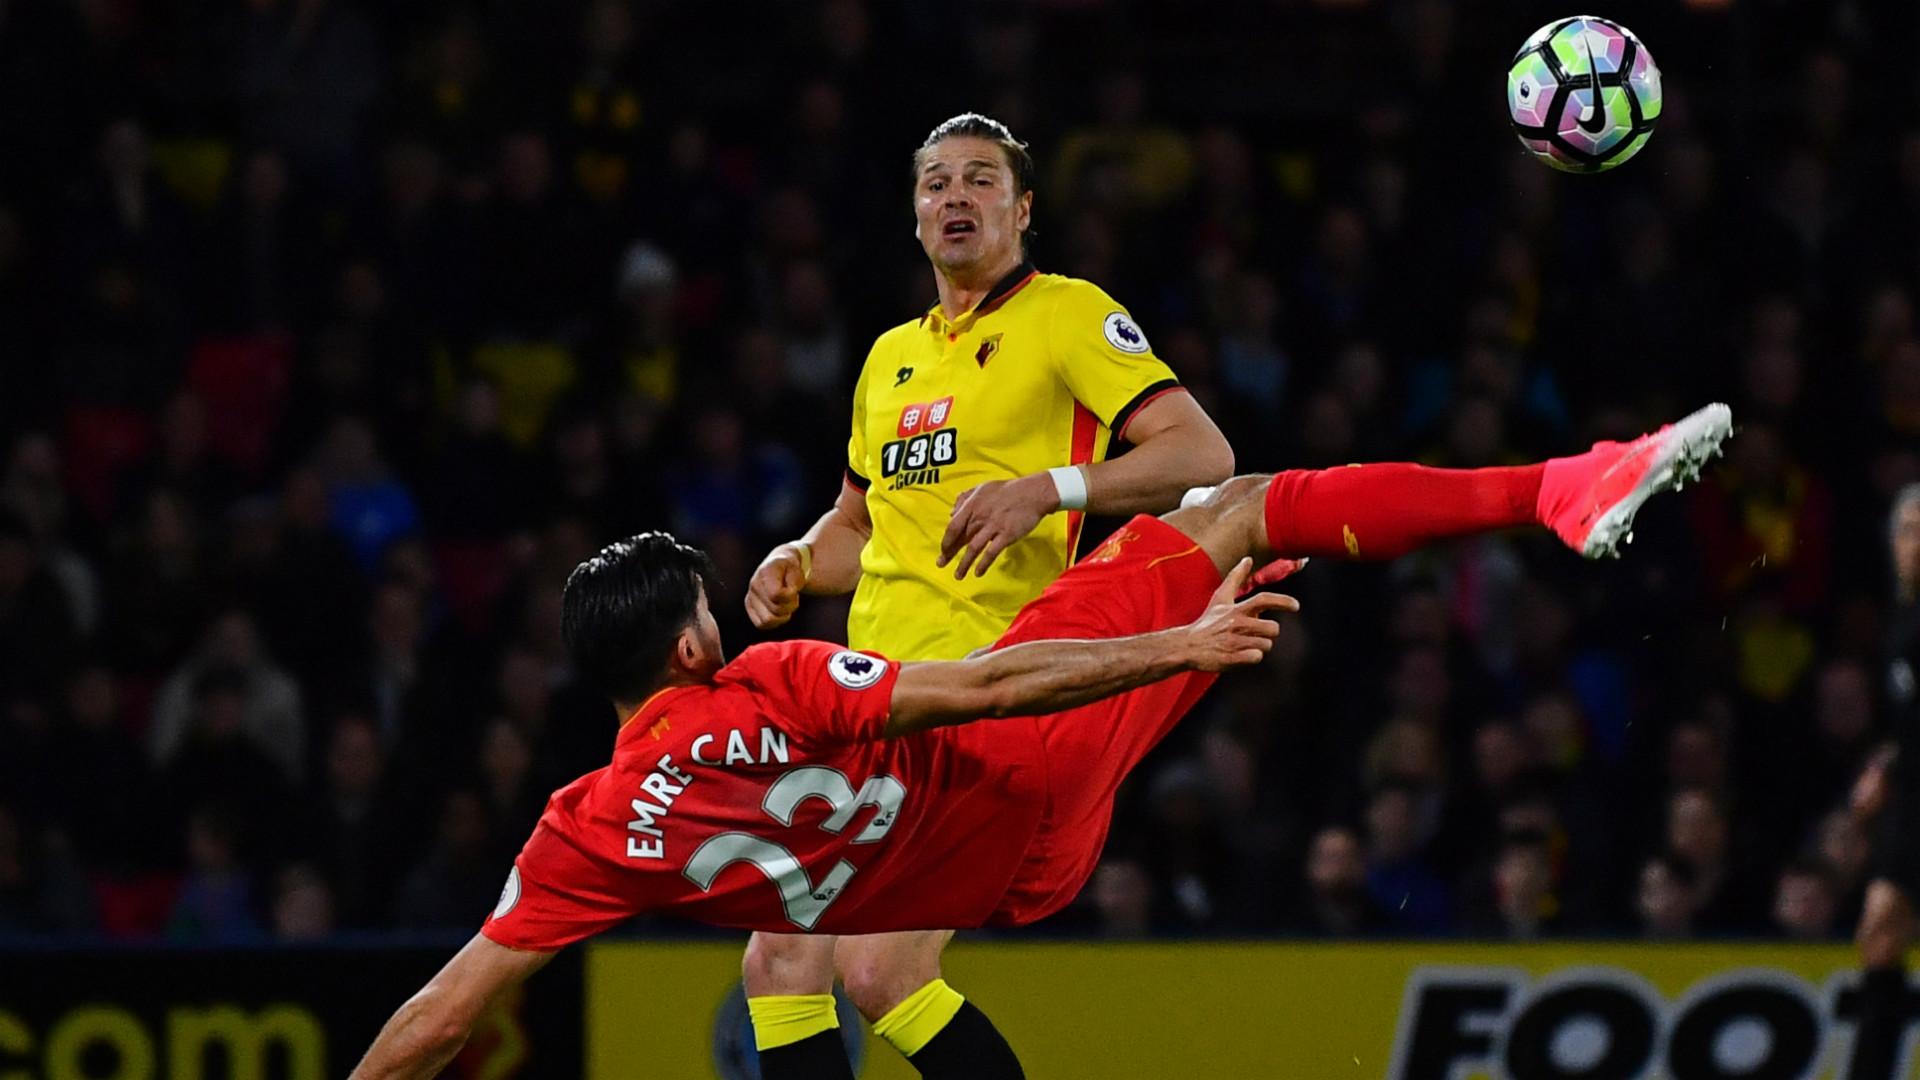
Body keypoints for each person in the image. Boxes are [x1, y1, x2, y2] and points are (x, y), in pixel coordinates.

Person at [350, 402, 1731, 1079]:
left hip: (992, 882)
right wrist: (1171, 650)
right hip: (1025, 767)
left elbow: (442, 1019)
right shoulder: (764, 685)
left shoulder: (583, 831)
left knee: (854, 969)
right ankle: (1560, 486)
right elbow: (981, 697)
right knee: (1240, 506)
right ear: (691, 648)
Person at [742, 112, 1235, 1080]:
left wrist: (1048, 489)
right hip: (866, 693)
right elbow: (860, 526)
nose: (955, 197)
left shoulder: (1066, 314)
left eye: (978, 180)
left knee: (861, 965)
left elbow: (1201, 455)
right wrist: (797, 559)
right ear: (915, 214)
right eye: (937, 183)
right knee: (794, 962)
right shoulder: (890, 357)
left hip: (983, 687)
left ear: (1023, 209)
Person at [1846, 483, 1920, 1080]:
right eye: (1907, 531)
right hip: (1912, 800)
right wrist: (1887, 762)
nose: (1914, 545)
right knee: (1879, 934)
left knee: (1883, 930)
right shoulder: (1901, 620)